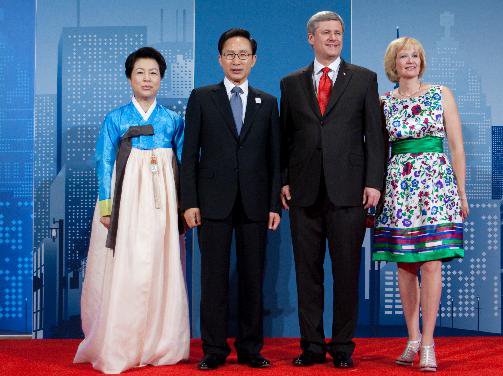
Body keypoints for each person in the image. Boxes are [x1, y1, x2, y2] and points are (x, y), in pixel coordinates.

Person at [74, 47, 189, 374]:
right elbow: (104, 161)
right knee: (128, 265)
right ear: (129, 78)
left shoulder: (172, 120)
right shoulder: (115, 118)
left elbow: (182, 164)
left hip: (162, 199)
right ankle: (123, 342)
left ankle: (160, 342)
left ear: (162, 78)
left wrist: (182, 207)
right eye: (140, 72)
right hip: (127, 197)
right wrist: (108, 206)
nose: (147, 78)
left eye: (153, 73)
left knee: (161, 263)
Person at [280, 11, 385, 369]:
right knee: (307, 273)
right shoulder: (291, 83)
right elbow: (285, 137)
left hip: (349, 192)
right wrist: (283, 179)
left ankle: (342, 346)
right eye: (325, 33)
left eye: (338, 33)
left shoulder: (363, 79)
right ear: (311, 38)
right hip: (304, 193)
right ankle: (311, 345)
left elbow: (376, 136)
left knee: (346, 272)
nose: (333, 38)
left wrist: (374, 182)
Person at [181, 28, 281, 370]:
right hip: (211, 204)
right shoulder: (202, 97)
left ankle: (251, 348)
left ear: (253, 60)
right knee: (214, 279)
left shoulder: (267, 103)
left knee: (253, 279)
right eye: (230, 54)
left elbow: (274, 159)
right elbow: (189, 155)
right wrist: (189, 202)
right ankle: (214, 350)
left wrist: (272, 205)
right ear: (220, 59)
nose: (237, 61)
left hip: (255, 204)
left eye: (243, 55)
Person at [372, 37, 468, 372]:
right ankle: (411, 338)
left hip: (436, 187)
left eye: (415, 55)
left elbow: (456, 146)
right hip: (399, 187)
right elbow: (378, 153)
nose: (410, 61)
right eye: (404, 56)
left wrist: (462, 191)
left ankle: (428, 343)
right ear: (393, 64)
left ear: (421, 61)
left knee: (431, 264)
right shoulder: (383, 103)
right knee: (404, 265)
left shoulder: (441, 93)